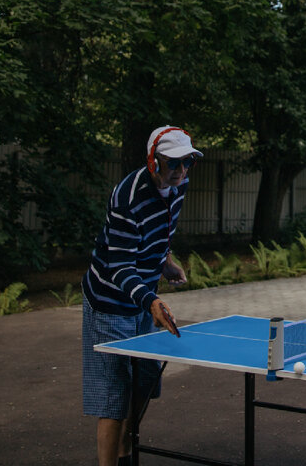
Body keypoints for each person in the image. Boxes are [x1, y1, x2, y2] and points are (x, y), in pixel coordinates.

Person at [82, 125, 198, 466]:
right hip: (110, 301)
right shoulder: (127, 197)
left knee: (144, 383)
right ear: (153, 162)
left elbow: (164, 229)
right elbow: (119, 266)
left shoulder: (180, 185)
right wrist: (151, 301)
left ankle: (127, 454)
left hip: (143, 297)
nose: (180, 171)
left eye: (187, 162)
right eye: (172, 163)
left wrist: (165, 261)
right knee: (115, 396)